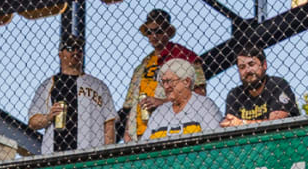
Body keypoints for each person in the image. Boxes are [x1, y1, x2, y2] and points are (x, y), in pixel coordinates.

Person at [122, 9, 204, 141]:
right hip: (139, 134)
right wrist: (128, 132)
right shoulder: (141, 66)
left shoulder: (185, 57)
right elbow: (132, 104)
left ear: (168, 32)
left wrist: (163, 102)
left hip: (171, 130)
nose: (154, 35)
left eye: (158, 31)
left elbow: (199, 94)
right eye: (149, 32)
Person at [30, 40, 119, 153]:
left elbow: (109, 123)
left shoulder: (98, 86)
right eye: (70, 48)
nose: (76, 52)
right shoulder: (48, 85)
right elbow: (33, 121)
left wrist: (108, 153)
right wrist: (48, 117)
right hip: (55, 154)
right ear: (60, 54)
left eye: (79, 49)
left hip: (92, 153)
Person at [141, 60, 223, 140]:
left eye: (169, 81)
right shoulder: (159, 113)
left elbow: (214, 142)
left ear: (186, 82)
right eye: (163, 82)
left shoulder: (205, 105)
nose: (166, 86)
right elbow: (144, 146)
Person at [222, 47, 300, 127]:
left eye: (251, 64)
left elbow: (276, 122)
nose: (247, 70)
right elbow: (228, 124)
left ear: (264, 65)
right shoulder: (235, 95)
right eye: (242, 67)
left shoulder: (277, 85)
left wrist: (242, 123)